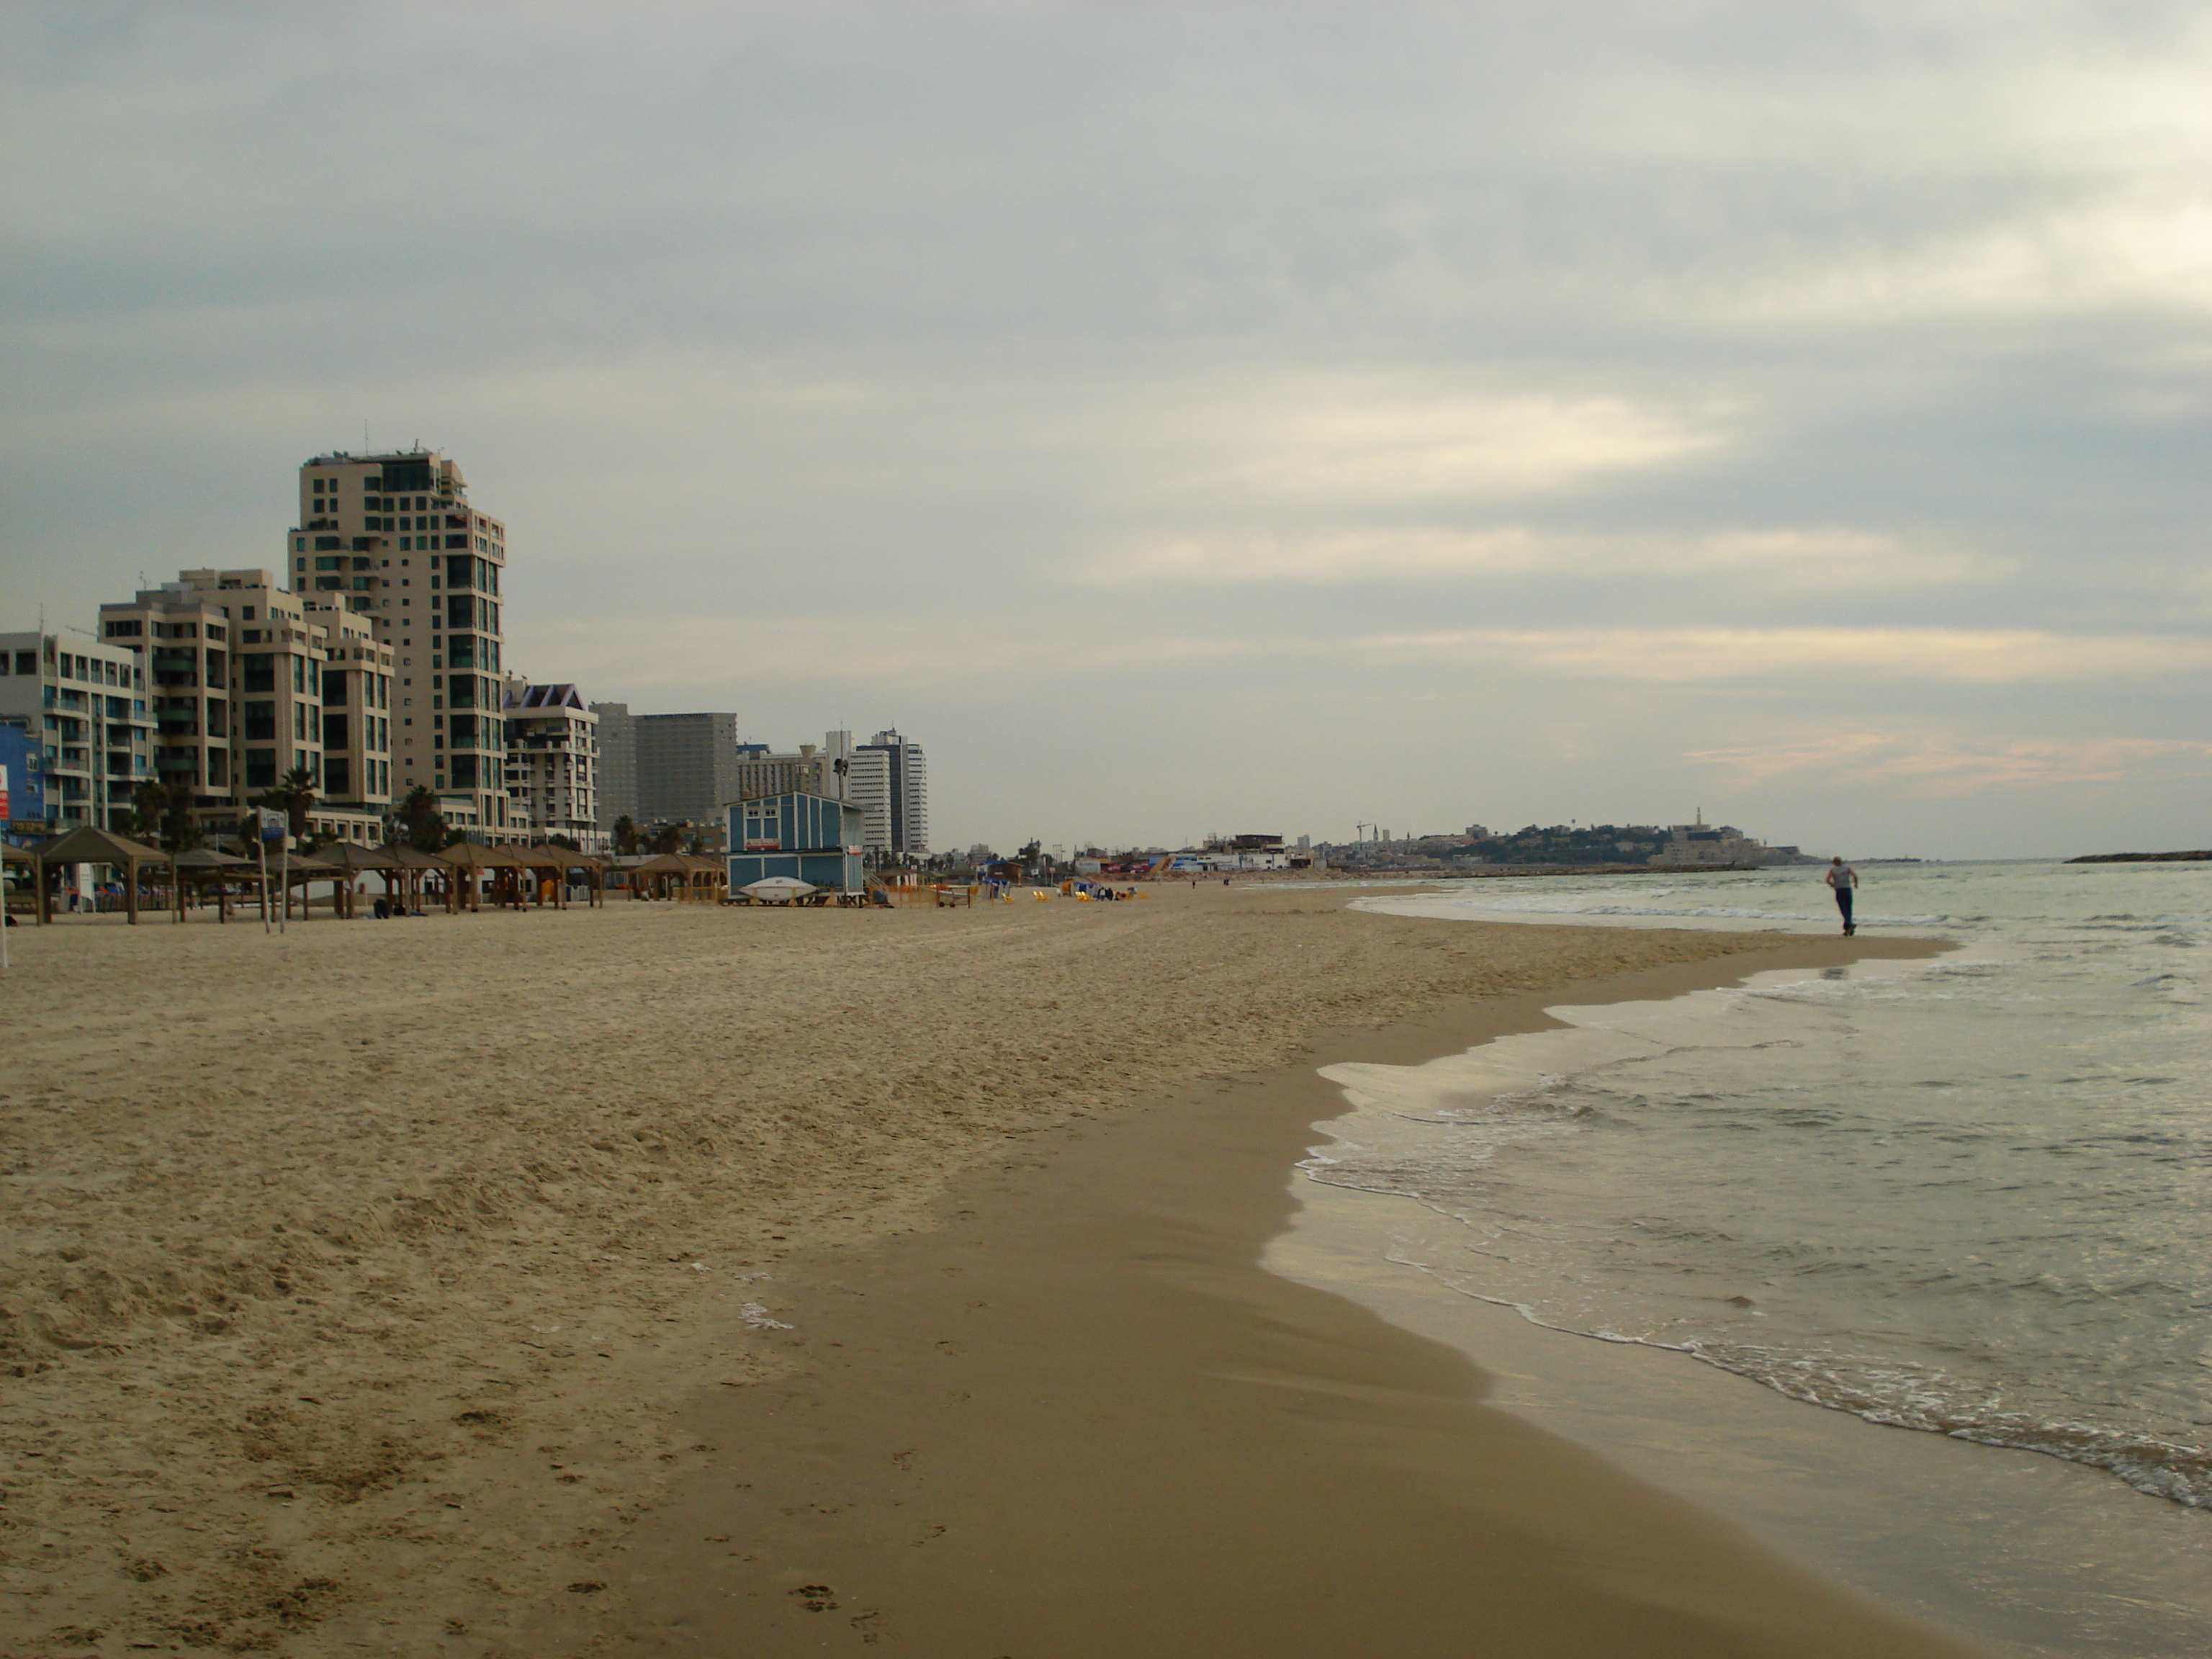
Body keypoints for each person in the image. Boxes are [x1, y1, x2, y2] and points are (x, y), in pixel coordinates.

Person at [1825, 855, 1858, 935]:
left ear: (1834, 863)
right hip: (1847, 889)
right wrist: (1856, 884)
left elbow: (1827, 880)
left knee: (1843, 908)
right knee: (1849, 908)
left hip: (1839, 890)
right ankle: (1849, 926)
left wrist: (1833, 885)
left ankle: (1848, 926)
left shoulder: (1833, 870)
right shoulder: (1847, 868)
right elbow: (1855, 876)